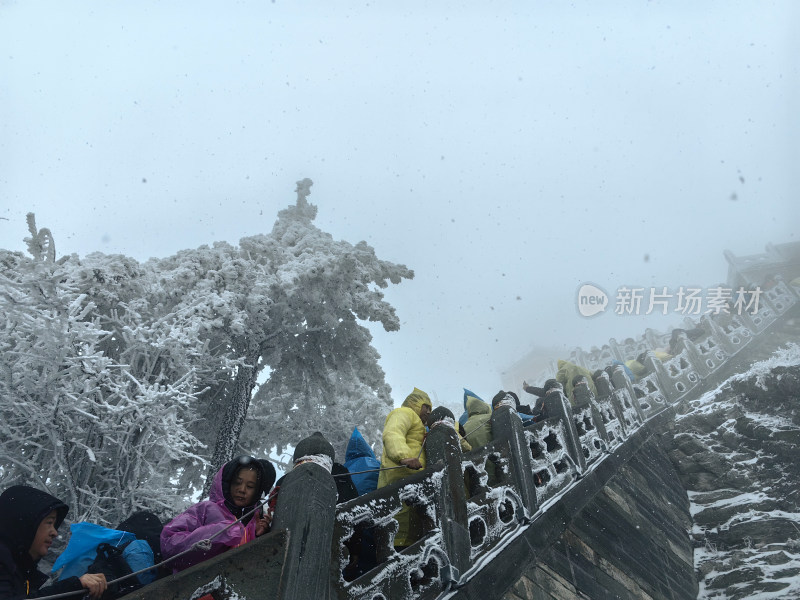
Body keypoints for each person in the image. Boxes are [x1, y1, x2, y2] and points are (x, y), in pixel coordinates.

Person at [160, 455, 274, 573]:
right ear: (227, 482)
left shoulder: (254, 520)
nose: (242, 489)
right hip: (194, 586)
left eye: (250, 486)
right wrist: (222, 532)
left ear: (257, 491)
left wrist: (255, 534)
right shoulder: (204, 509)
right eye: (237, 482)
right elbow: (169, 545)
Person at [0, 485, 107, 599]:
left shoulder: (17, 569)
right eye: (49, 522)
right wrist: (72, 587)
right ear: (24, 524)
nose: (54, 532)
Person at [377, 387, 433, 549]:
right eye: (426, 407)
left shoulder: (420, 427)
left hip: (411, 486)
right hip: (400, 483)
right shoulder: (404, 413)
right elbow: (393, 432)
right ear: (414, 404)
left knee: (409, 532)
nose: (429, 412)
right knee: (399, 531)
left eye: (431, 409)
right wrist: (404, 456)